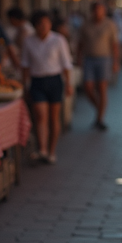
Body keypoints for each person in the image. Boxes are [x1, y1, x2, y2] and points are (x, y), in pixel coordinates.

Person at [21, 11, 74, 165]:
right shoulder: (28, 41)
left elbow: (66, 63)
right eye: (40, 24)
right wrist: (25, 85)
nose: (43, 27)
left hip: (54, 80)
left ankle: (52, 151)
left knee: (53, 117)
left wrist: (68, 84)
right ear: (35, 26)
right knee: (39, 115)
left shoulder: (58, 40)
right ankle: (42, 149)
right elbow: (25, 64)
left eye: (46, 23)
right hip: (37, 81)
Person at [77, 2, 119, 130]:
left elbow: (114, 44)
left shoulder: (109, 24)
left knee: (101, 87)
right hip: (89, 58)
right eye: (96, 10)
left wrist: (115, 61)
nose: (98, 13)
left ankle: (100, 118)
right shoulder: (86, 24)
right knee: (88, 86)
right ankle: (98, 108)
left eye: (101, 10)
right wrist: (78, 58)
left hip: (104, 58)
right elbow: (81, 42)